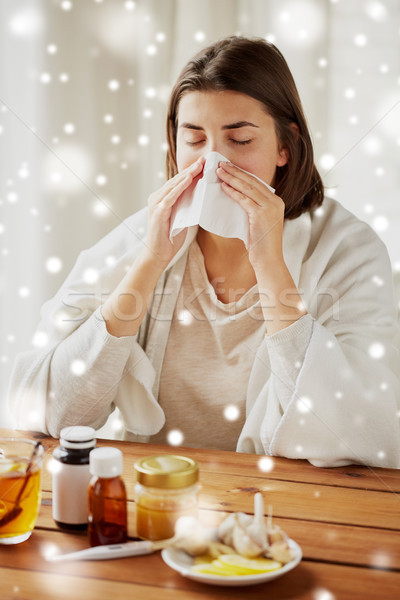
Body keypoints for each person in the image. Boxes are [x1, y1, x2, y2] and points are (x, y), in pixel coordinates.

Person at [8, 36, 400, 468]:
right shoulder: (142, 236)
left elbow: (363, 429)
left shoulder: (349, 249)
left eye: (240, 140)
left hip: (288, 509)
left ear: (285, 146)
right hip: (160, 498)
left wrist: (269, 263)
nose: (213, 164)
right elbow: (50, 410)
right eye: (194, 139)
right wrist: (149, 263)